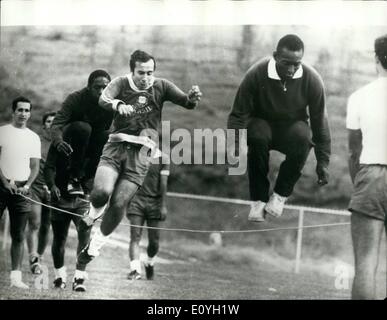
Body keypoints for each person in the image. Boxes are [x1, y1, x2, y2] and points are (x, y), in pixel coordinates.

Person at [77, 50, 202, 275]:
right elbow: (103, 99)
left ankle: (94, 247)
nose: (146, 77)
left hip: (142, 154)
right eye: (141, 72)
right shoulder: (120, 83)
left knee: (119, 204)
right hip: (116, 147)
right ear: (132, 70)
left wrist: (192, 99)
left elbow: (186, 102)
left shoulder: (161, 86)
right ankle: (92, 213)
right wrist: (117, 105)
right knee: (101, 193)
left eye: (150, 72)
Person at [227, 34, 331, 222]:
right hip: (262, 124)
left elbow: (320, 124)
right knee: (258, 134)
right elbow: (238, 115)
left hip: (291, 129)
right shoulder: (256, 73)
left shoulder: (312, 79)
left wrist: (323, 162)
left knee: (304, 135)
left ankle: (280, 195)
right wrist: (235, 149)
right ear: (275, 56)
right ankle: (258, 199)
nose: (291, 70)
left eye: (296, 64)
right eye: (286, 63)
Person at [346, 34, 387, 300]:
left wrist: (359, 184)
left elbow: (353, 150)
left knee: (365, 267)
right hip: (371, 175)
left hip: (371, 177)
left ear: (376, 59)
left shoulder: (360, 96)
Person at [50, 69, 113, 196]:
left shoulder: (111, 102)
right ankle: (74, 177)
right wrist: (58, 141)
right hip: (70, 144)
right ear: (89, 87)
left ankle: (90, 177)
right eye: (97, 87)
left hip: (90, 145)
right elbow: (56, 124)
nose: (101, 92)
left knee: (108, 135)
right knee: (83, 127)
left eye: (104, 88)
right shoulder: (75, 98)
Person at [0, 96, 41, 288]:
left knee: (19, 234)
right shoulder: (3, 132)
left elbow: (34, 167)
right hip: (1, 186)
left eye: (26, 110)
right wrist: (5, 182)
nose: (23, 114)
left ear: (30, 113)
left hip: (22, 190)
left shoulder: (33, 137)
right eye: (20, 110)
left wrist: (28, 185)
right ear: (13, 111)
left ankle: (16, 278)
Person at [43, 140, 92, 291]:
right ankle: (60, 277)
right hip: (60, 198)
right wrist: (52, 185)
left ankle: (79, 278)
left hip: (82, 199)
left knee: (84, 236)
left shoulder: (92, 140)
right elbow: (49, 167)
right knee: (59, 238)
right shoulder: (58, 143)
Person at [127, 152, 170, 280]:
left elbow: (163, 184)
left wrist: (162, 205)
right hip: (136, 201)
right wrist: (127, 202)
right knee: (135, 237)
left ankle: (149, 262)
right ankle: (135, 270)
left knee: (154, 241)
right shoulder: (134, 156)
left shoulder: (164, 159)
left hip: (154, 203)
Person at [26, 111, 56, 275]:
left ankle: (41, 256)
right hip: (36, 187)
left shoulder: (61, 142)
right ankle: (33, 257)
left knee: (46, 225)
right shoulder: (36, 140)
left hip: (52, 189)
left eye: (55, 121)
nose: (52, 123)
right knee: (35, 223)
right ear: (44, 124)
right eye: (49, 121)